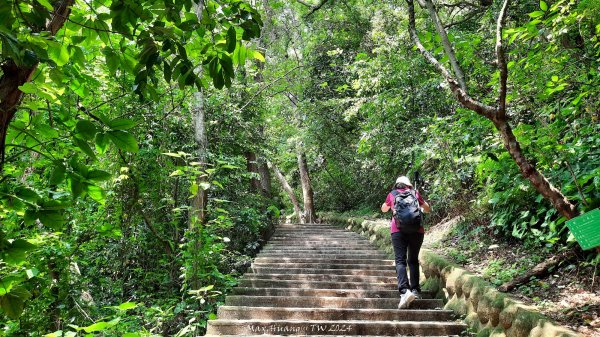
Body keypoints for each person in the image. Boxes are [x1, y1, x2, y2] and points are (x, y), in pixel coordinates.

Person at [381, 175, 431, 309]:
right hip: (417, 230)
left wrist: (390, 206)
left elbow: (384, 209)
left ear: (397, 184)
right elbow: (427, 208)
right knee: (413, 260)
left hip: (398, 230)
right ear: (408, 185)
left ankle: (404, 291)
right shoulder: (415, 193)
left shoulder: (392, 194)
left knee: (400, 260)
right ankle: (415, 289)